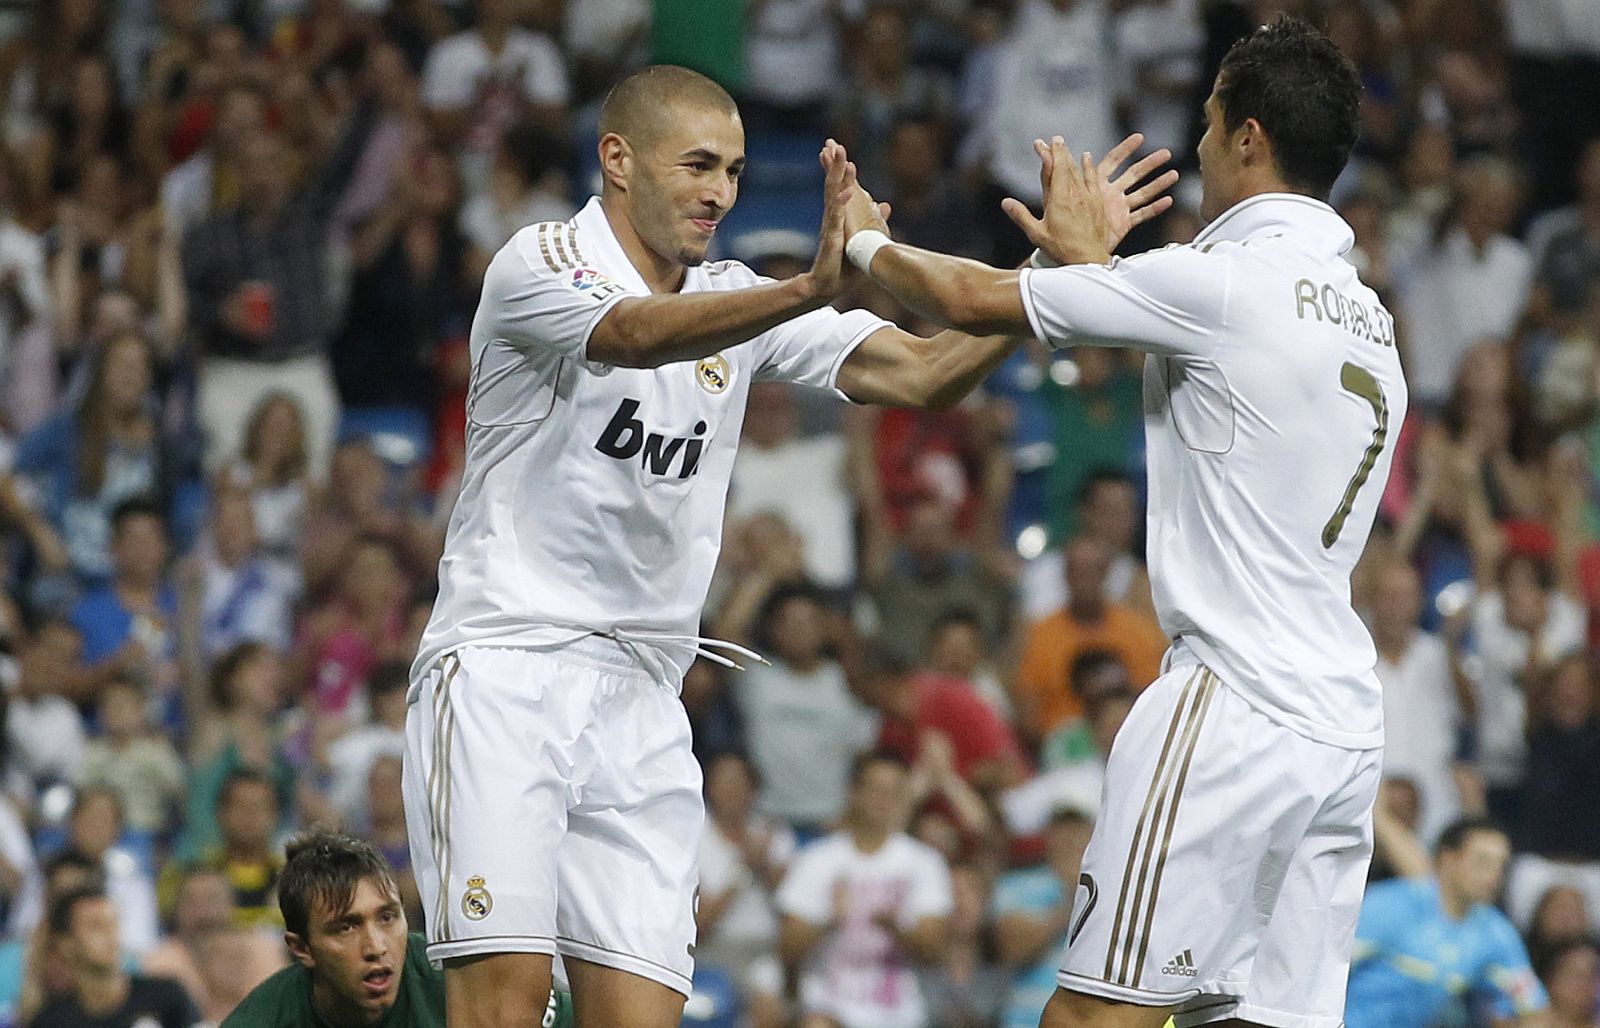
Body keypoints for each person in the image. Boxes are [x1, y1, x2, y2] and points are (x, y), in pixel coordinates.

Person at [400, 63, 1174, 1028]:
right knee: (502, 1006)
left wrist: (1049, 276)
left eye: (730, 169)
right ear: (617, 160)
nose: (721, 192)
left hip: (644, 699)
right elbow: (637, 335)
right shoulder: (539, 263)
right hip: (509, 666)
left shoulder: (737, 299)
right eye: (696, 166)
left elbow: (929, 374)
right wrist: (811, 284)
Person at [834, 16, 1403, 1028]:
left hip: (1231, 702)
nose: (1193, 145)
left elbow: (969, 298)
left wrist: (864, 240)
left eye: (1207, 120)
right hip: (1342, 725)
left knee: (1096, 1014)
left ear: (1248, 139)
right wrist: (1094, 269)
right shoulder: (1370, 318)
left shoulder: (1224, 279)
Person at [222, 830, 575, 1028]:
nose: (376, 946)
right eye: (346, 927)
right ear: (302, 949)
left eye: (387, 917)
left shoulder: (456, 980)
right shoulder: (263, 1020)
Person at [775, 752, 954, 1028]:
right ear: (854, 792)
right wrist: (829, 921)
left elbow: (936, 950)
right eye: (875, 788)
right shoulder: (816, 860)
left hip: (899, 1013)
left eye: (894, 791)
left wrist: (897, 927)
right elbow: (787, 949)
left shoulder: (924, 863)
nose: (883, 799)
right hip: (827, 1006)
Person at [1344, 818, 1547, 1027]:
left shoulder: (1495, 932)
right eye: (1483, 862)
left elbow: (1533, 1009)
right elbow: (1324, 969)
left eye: (1500, 866)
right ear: (1448, 859)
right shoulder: (1388, 906)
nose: (1493, 876)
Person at [27, 887, 201, 1028]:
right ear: (66, 944)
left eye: (113, 923)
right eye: (96, 926)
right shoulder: (51, 1021)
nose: (111, 935)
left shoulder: (168, 997)